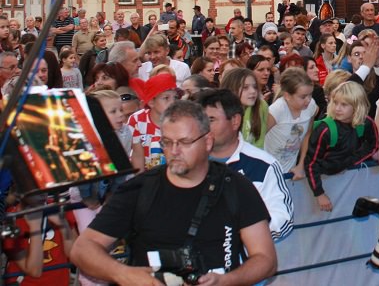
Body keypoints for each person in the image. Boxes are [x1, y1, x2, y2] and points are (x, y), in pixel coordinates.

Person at [70, 100, 277, 285]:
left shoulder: (236, 187)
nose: (174, 151)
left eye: (185, 142)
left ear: (207, 141)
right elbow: (83, 248)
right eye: (167, 142)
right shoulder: (139, 190)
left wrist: (226, 281)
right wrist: (123, 274)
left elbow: (266, 259)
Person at [199, 89, 294, 242]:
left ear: (235, 121)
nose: (203, 127)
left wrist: (238, 236)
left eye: (211, 120)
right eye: (200, 120)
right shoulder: (190, 161)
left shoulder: (264, 165)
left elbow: (282, 220)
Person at [304, 82, 379, 212]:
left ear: (357, 106)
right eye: (335, 102)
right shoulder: (325, 130)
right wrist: (319, 194)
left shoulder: (365, 123)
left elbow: (373, 145)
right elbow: (311, 164)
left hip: (346, 180)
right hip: (319, 182)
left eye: (344, 105)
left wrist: (351, 161)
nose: (337, 108)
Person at [264, 67, 317, 177]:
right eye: (303, 97)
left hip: (290, 171)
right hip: (268, 171)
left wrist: (301, 165)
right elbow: (257, 140)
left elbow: (307, 135)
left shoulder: (311, 106)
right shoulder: (276, 110)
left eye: (310, 94)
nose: (308, 100)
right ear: (287, 96)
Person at [127, 73, 178, 171]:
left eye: (175, 97)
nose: (173, 102)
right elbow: (137, 155)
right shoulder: (137, 120)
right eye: (166, 98)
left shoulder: (180, 121)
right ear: (151, 102)